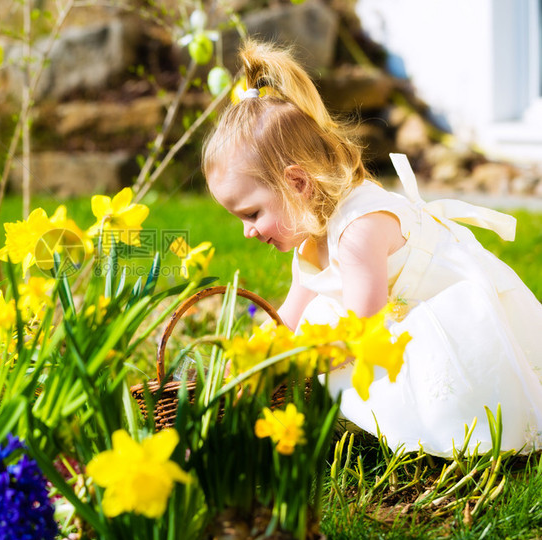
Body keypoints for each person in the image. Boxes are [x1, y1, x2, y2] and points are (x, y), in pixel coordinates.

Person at [202, 39, 542, 457]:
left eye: (252, 214)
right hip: (388, 315)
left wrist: (291, 364)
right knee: (316, 319)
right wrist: (254, 358)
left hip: (438, 311)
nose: (247, 232)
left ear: (297, 183)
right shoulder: (310, 229)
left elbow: (363, 329)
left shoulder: (359, 228)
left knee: (443, 389)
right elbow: (286, 315)